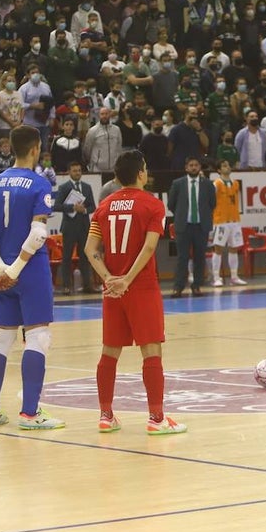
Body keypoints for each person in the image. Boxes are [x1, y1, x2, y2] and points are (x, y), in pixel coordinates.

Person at [85, 150, 188, 435]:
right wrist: (127, 279)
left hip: (112, 290)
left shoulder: (104, 206)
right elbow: (150, 246)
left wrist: (109, 278)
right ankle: (156, 419)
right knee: (151, 350)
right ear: (141, 173)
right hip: (140, 286)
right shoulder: (153, 205)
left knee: (109, 351)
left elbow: (90, 249)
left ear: (118, 177)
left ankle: (106, 416)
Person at [0, 125, 64, 429]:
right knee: (38, 336)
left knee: (2, 337)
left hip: (1, 273)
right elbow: (38, 234)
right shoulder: (39, 183)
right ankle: (29, 413)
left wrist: (1, 267)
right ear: (36, 149)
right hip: (30, 270)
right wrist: (15, 269)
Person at [167, 155, 215, 296]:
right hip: (184, 226)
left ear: (200, 167)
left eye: (196, 165)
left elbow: (212, 203)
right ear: (186, 168)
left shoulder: (208, 184)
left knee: (200, 257)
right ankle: (178, 286)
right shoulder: (178, 183)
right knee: (182, 257)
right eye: (191, 165)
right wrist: (181, 214)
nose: (194, 167)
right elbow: (171, 204)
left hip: (201, 226)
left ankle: (197, 285)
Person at [55, 161, 97, 294]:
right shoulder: (64, 187)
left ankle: (87, 285)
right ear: (69, 172)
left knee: (85, 256)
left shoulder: (87, 187)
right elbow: (57, 206)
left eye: (79, 170)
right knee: (67, 256)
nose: (77, 173)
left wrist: (84, 210)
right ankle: (66, 286)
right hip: (69, 227)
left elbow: (92, 206)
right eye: (74, 171)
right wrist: (72, 207)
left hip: (84, 227)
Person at [210, 160, 247, 288]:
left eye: (228, 165)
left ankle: (234, 277)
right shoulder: (216, 184)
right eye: (224, 166)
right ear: (219, 170)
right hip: (221, 221)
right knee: (218, 249)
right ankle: (216, 277)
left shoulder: (235, 183)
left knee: (234, 248)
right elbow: (210, 201)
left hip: (234, 220)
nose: (228, 167)